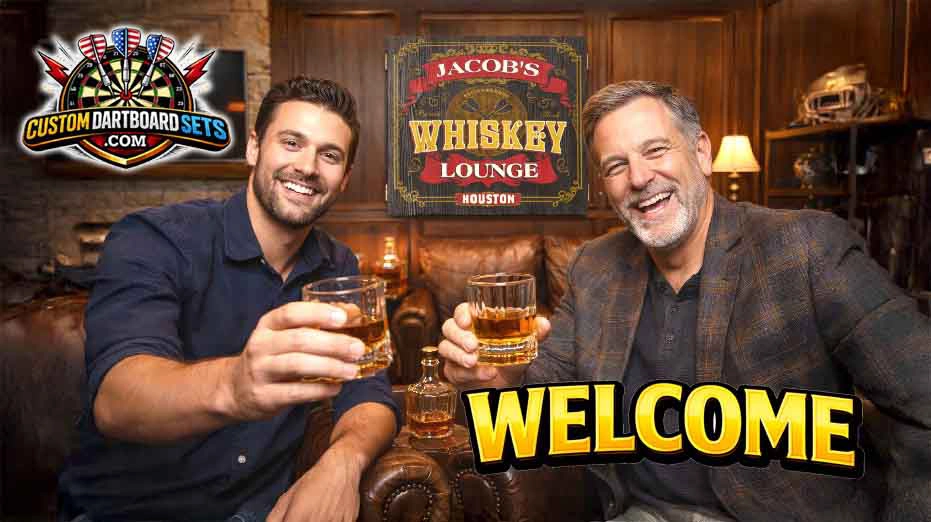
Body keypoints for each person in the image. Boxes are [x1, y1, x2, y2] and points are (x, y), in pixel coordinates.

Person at [439, 80, 931, 522]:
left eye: (655, 150)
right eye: (616, 166)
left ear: (699, 152)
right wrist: (496, 378)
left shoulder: (805, 247)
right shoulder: (595, 266)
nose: (639, 177)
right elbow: (543, 401)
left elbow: (923, 394)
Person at [58, 77, 399, 522]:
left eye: (329, 155)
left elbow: (369, 389)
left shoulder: (337, 265)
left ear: (345, 179)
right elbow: (117, 400)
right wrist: (235, 386)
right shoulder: (154, 239)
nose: (309, 167)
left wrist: (342, 463)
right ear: (255, 148)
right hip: (130, 508)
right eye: (292, 143)